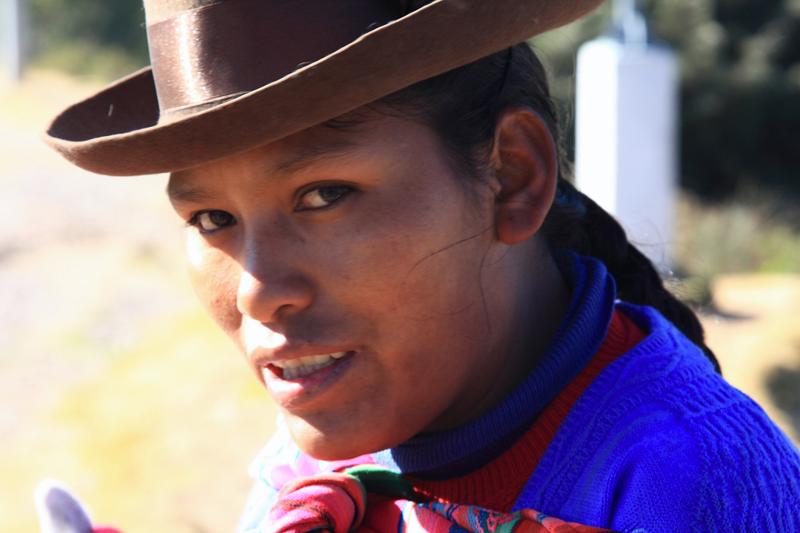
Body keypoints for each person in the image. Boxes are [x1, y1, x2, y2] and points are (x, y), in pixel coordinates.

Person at [44, 0, 800, 531]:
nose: (258, 290)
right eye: (212, 218)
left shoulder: (684, 481)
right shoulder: (343, 430)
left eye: (324, 194)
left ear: (512, 175)